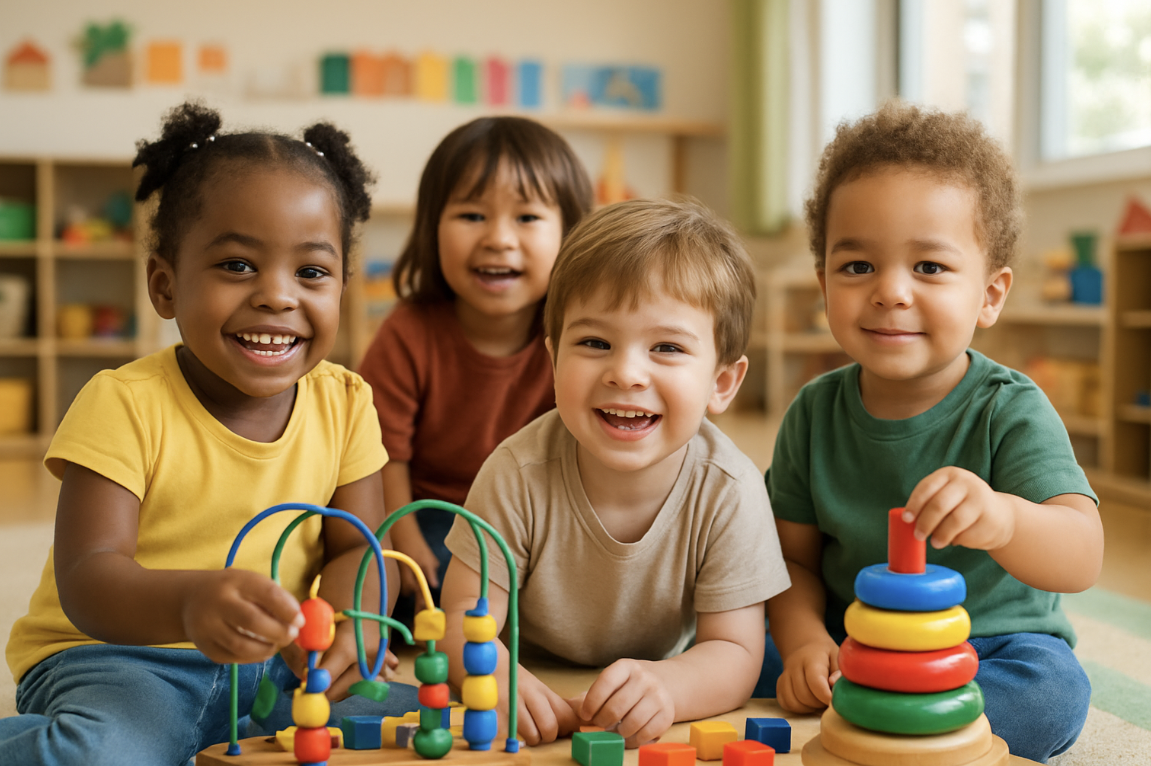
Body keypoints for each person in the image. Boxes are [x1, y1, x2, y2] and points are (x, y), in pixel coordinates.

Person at [0, 102, 415, 766]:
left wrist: (348, 625)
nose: (278, 296)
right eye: (238, 266)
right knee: (104, 753)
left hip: (281, 671)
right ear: (164, 286)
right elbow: (89, 578)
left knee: (424, 726)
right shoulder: (123, 404)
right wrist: (192, 603)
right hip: (124, 660)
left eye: (311, 272)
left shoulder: (345, 402)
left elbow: (358, 549)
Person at [762, 101, 1102, 764]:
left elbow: (1081, 555)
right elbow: (791, 561)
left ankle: (891, 720)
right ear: (822, 282)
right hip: (852, 638)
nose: (889, 292)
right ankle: (876, 707)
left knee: (1050, 695)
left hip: (988, 647)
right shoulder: (812, 411)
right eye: (857, 266)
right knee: (719, 640)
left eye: (929, 268)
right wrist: (804, 643)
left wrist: (1003, 519)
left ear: (989, 295)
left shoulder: (1009, 408)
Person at [437, 198, 791, 749]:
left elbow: (737, 651)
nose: (626, 373)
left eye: (667, 348)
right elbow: (461, 616)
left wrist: (670, 687)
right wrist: (494, 679)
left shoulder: (731, 490)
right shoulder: (515, 473)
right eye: (595, 343)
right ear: (553, 358)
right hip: (535, 686)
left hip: (657, 685)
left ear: (722, 382)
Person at [357, 117, 593, 622]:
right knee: (387, 585)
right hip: (436, 521)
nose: (498, 239)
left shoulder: (581, 338)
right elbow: (382, 457)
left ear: (570, 233)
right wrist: (405, 539)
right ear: (431, 227)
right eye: (471, 215)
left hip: (539, 517)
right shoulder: (408, 332)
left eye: (527, 218)